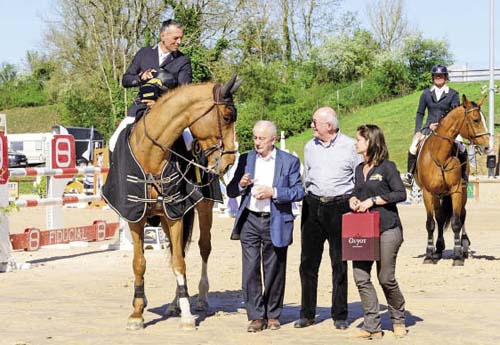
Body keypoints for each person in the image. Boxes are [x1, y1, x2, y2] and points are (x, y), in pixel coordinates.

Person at [227, 120, 305, 332]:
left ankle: (273, 314)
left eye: (261, 138)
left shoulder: (288, 161)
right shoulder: (246, 158)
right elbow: (231, 190)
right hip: (250, 219)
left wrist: (274, 192)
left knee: (274, 269)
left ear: (273, 139)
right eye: (254, 138)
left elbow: (299, 191)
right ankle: (256, 316)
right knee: (250, 269)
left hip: (276, 218)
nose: (257, 142)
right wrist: (241, 184)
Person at [295, 107, 363, 330]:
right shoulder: (309, 146)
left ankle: (340, 314)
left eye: (315, 122)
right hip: (313, 205)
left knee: (339, 263)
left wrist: (355, 200)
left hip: (340, 207)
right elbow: (307, 177)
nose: (312, 126)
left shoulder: (350, 146)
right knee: (307, 263)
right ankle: (307, 313)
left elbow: (359, 178)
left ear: (329, 126)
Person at [348, 124, 407, 339]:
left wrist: (373, 200)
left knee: (385, 277)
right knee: (360, 276)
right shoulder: (358, 169)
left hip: (387, 228)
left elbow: (401, 194)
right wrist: (353, 199)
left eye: (359, 139)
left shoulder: (387, 167)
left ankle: (398, 318)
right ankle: (372, 325)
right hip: (363, 230)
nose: (356, 143)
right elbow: (357, 191)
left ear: (371, 142)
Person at [109, 18, 192, 151]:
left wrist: (160, 104)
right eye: (176, 38)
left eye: (181, 38)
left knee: (190, 143)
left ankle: (197, 171)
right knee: (113, 143)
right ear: (163, 35)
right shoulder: (144, 53)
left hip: (168, 111)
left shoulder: (183, 61)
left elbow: (184, 93)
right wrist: (140, 78)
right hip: (140, 106)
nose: (179, 42)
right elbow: (126, 80)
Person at [404, 64, 461, 186]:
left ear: (446, 77)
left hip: (448, 130)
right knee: (413, 147)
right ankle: (410, 174)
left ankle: (464, 176)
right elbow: (420, 113)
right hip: (428, 128)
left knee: (461, 147)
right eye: (436, 75)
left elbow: (454, 114)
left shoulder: (453, 94)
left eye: (441, 75)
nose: (438, 77)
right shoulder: (426, 94)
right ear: (433, 77)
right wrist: (418, 130)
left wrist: (441, 126)